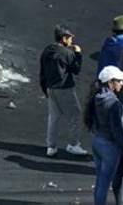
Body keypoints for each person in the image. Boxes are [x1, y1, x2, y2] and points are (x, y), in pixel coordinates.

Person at [39, 25, 87, 158]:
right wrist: (78, 54)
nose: (71, 41)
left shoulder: (47, 50)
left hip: (50, 88)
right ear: (64, 38)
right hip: (65, 89)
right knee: (76, 115)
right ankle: (73, 144)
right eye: (70, 38)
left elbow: (42, 71)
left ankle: (51, 146)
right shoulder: (67, 53)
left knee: (53, 117)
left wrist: (45, 88)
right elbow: (76, 69)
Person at [86, 66, 123, 205]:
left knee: (100, 182)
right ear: (111, 82)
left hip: (97, 141)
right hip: (110, 147)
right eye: (119, 81)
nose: (122, 83)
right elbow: (117, 130)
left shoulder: (97, 97)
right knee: (104, 183)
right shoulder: (114, 103)